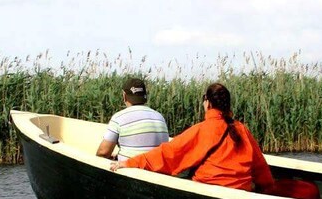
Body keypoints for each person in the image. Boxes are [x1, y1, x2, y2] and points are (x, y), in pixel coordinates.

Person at [113, 82, 274, 192]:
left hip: (210, 189)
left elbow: (169, 153)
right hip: (241, 190)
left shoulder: (203, 130)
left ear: (208, 103)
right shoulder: (242, 129)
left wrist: (129, 163)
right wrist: (267, 188)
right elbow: (260, 166)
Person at [96, 77, 170, 163]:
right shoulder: (160, 117)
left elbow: (103, 152)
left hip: (131, 170)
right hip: (157, 170)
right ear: (145, 96)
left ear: (124, 96)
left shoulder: (119, 118)